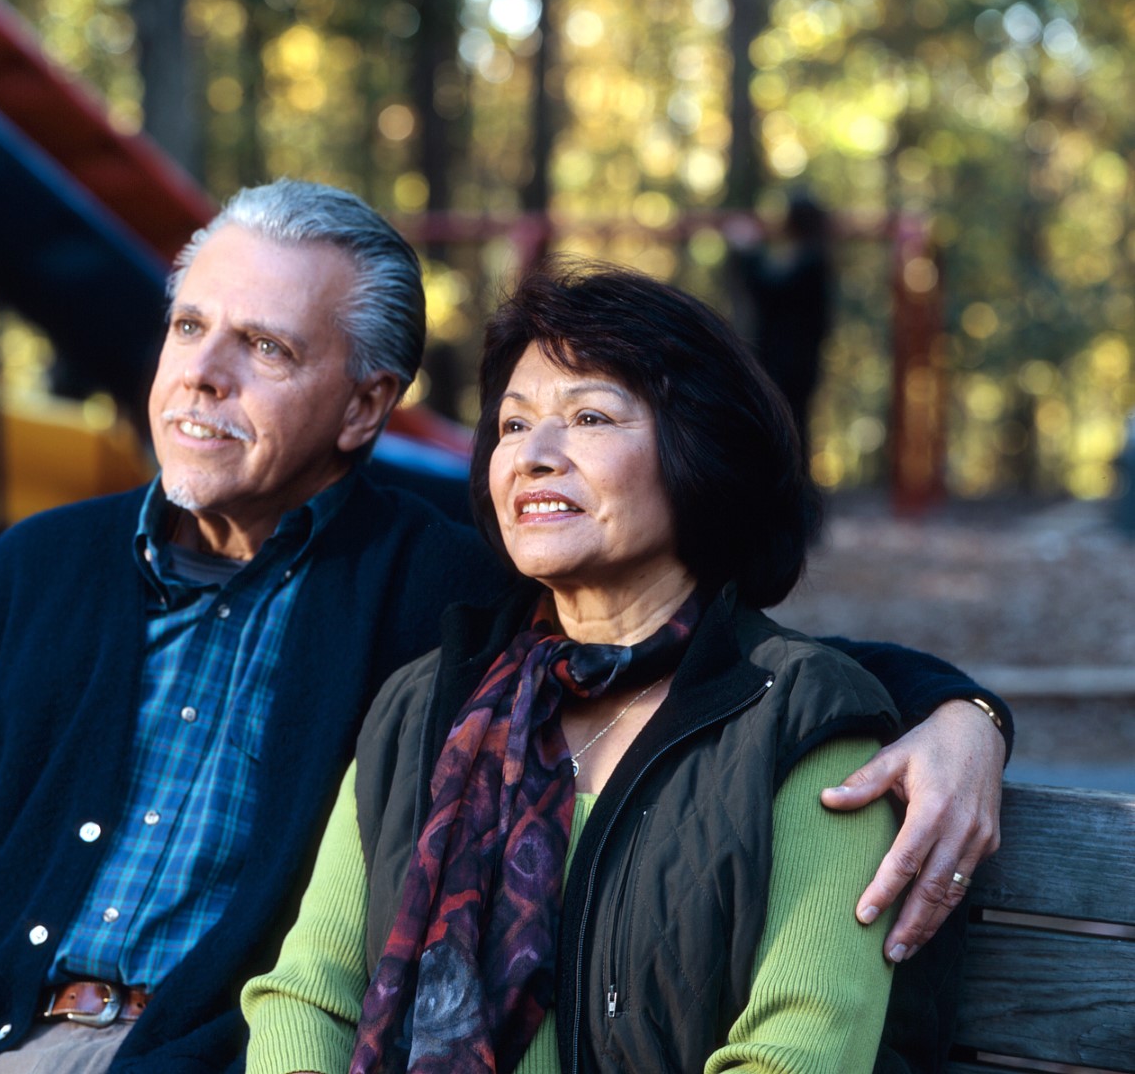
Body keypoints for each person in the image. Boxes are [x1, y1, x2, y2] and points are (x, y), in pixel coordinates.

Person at [0, 183, 1006, 1074]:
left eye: (263, 347)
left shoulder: (443, 603)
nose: (200, 376)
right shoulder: (32, 576)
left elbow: (706, 643)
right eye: (187, 328)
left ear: (367, 405)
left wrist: (963, 713)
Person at [241, 261, 999, 1073]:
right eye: (512, 425)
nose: (535, 455)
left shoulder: (811, 726)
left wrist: (973, 716)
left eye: (590, 417)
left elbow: (795, 1054)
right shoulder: (425, 705)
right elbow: (309, 995)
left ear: (699, 454)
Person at [727, 192, 834, 459]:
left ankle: (792, 488)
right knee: (789, 420)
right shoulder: (811, 258)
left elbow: (769, 292)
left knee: (785, 420)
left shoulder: (811, 262)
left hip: (789, 362)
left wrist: (749, 250)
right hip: (795, 360)